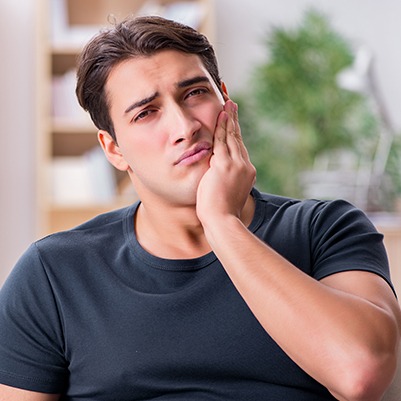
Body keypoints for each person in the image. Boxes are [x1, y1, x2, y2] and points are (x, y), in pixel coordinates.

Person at [0, 15, 400, 401]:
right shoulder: (53, 273)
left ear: (226, 101)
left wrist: (221, 223)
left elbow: (360, 373)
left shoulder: (325, 229)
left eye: (194, 93)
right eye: (146, 112)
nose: (184, 125)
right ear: (114, 149)